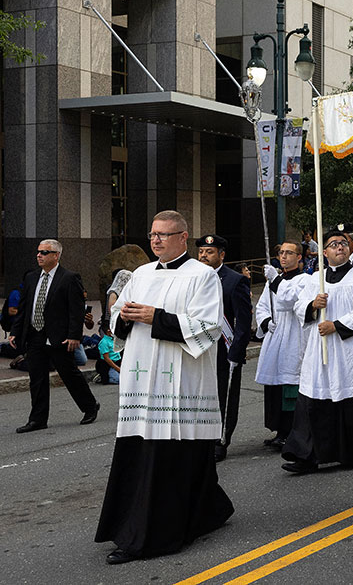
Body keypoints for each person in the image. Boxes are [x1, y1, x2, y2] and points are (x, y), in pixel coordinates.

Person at [96, 210, 233, 564]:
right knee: (141, 449)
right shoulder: (139, 274)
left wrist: (155, 317)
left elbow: (207, 327)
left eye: (164, 235)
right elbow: (115, 316)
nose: (156, 240)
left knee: (170, 454)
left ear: (183, 238)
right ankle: (206, 510)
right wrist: (122, 316)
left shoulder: (202, 276)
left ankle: (151, 534)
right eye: (153, 234)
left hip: (180, 382)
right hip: (142, 378)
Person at [280, 229, 353, 474]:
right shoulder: (315, 279)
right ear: (325, 252)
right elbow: (299, 306)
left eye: (343, 243)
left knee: (350, 400)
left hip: (349, 349)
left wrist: (336, 326)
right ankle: (305, 455)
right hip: (320, 350)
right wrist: (312, 305)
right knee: (312, 398)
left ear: (350, 249)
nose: (339, 247)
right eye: (333, 244)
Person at [10, 239, 99, 433]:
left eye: (44, 252)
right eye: (38, 252)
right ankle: (38, 419)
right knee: (37, 379)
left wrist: (75, 336)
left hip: (58, 337)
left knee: (69, 375)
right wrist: (15, 332)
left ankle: (90, 406)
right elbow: (24, 309)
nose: (39, 255)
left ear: (56, 255)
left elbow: (76, 310)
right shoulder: (32, 278)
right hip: (35, 336)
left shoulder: (69, 278)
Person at [196, 234, 252, 463]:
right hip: (200, 348)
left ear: (221, 254)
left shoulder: (234, 280)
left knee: (224, 397)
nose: (203, 256)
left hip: (224, 349)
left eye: (209, 252)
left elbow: (243, 320)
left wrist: (235, 353)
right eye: (200, 252)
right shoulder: (193, 277)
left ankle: (220, 440)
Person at [255, 242, 309, 450]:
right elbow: (262, 306)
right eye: (281, 253)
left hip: (294, 337)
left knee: (290, 387)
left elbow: (289, 299)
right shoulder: (272, 282)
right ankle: (279, 430)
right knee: (274, 387)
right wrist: (267, 321)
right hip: (275, 337)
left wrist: (275, 279)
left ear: (299, 257)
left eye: (289, 253)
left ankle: (292, 432)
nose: (283, 256)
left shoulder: (305, 279)